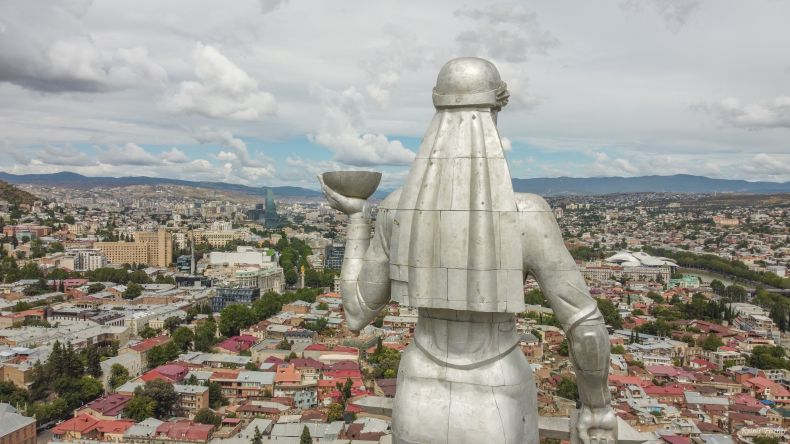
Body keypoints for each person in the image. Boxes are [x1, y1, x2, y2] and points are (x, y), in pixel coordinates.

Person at [319, 57, 616, 444]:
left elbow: (357, 312)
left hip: (417, 395)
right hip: (498, 395)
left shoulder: (395, 210)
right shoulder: (526, 216)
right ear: (495, 111)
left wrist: (358, 219)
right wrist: (596, 406)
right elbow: (587, 329)